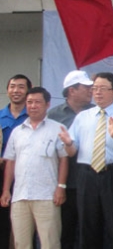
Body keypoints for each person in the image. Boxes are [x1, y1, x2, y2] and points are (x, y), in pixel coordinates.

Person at [59, 72, 113, 249]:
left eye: (103, 89)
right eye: (94, 88)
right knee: (87, 226)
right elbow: (72, 151)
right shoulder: (83, 117)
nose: (97, 93)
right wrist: (67, 143)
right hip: (86, 176)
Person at [0, 87, 68, 249]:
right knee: (20, 243)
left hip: (47, 196)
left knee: (49, 243)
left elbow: (64, 159)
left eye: (37, 102)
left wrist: (61, 187)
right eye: (29, 102)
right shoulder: (18, 132)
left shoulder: (57, 129)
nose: (33, 106)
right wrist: (6, 190)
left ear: (47, 105)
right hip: (20, 196)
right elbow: (10, 162)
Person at [47, 70, 94, 249]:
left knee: (90, 229)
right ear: (71, 91)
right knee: (66, 230)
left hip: (90, 181)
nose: (91, 91)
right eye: (86, 87)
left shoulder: (97, 112)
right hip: (63, 182)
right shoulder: (53, 116)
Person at [0, 74, 32, 248]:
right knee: (4, 222)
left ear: (28, 90)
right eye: (12, 86)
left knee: (27, 224)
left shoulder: (35, 116)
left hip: (27, 175)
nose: (16, 90)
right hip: (3, 174)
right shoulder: (0, 117)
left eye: (21, 87)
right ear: (7, 90)